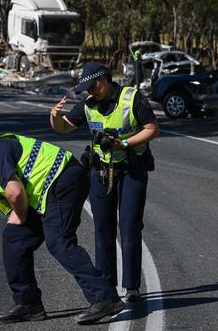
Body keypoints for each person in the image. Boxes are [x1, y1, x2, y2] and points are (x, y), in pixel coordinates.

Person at [0, 134, 124, 325]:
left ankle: (104, 298)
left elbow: (15, 191)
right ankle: (28, 303)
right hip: (43, 195)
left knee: (58, 242)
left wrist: (19, 215)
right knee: (14, 238)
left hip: (64, 178)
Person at [50, 62, 159, 302]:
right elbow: (65, 127)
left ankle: (131, 288)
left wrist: (125, 144)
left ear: (105, 80)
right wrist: (55, 118)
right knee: (103, 229)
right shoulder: (88, 104)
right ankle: (107, 287)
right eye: (86, 88)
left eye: (93, 86)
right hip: (100, 171)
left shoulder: (132, 98)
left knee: (129, 226)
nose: (90, 91)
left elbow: (152, 128)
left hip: (132, 169)